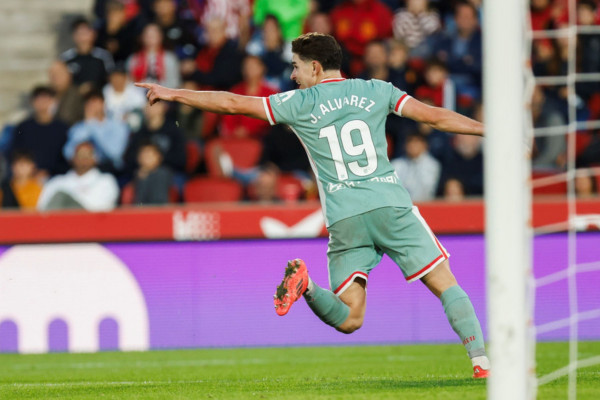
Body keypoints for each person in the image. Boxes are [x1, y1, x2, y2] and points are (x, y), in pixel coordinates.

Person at [135, 32, 489, 379]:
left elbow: (231, 103)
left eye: (296, 68)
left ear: (316, 68)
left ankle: (307, 286)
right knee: (446, 285)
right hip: (390, 205)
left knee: (350, 318)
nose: (292, 75)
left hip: (344, 218)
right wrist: (489, 130)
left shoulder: (297, 103)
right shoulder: (377, 90)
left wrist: (173, 93)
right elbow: (434, 117)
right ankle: (481, 363)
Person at [38, 142, 119, 211]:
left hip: (90, 223)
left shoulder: (106, 180)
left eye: (88, 154)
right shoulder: (57, 182)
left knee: (61, 196)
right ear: (72, 158)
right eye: (80, 154)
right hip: (59, 224)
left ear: (95, 159)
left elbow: (100, 208)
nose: (84, 158)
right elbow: (42, 208)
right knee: (60, 196)